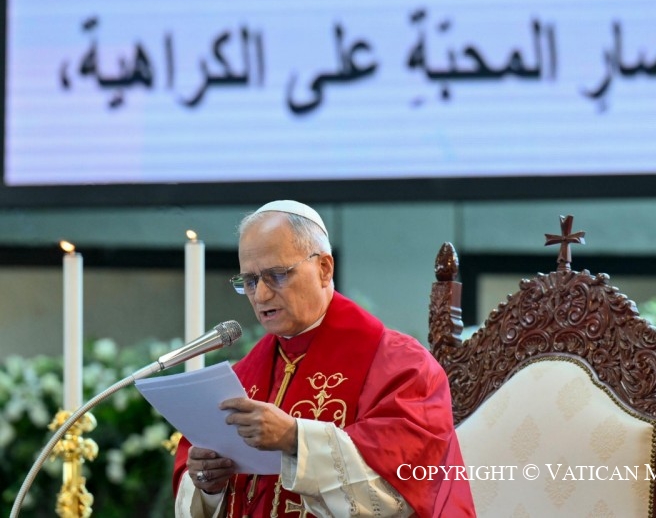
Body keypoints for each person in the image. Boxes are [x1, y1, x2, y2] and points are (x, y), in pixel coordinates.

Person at [173, 200, 475, 517]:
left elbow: (403, 489)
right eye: (249, 280)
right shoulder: (242, 377)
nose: (260, 295)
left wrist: (294, 438)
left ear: (324, 268)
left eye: (277, 275)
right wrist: (210, 486)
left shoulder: (403, 367)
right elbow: (200, 484)